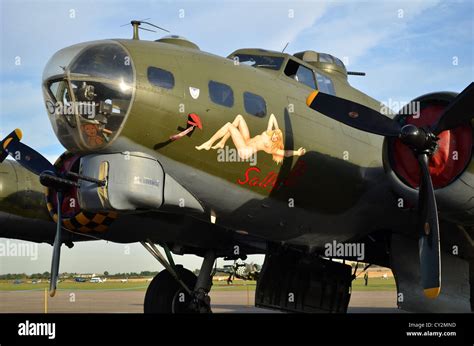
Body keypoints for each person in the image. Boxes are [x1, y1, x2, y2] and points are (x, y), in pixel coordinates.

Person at [196, 114, 306, 164]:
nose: (275, 137)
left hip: (245, 150)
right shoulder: (268, 132)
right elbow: (272, 117)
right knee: (239, 118)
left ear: (277, 141)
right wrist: (278, 130)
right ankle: (222, 142)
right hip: (246, 141)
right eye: (275, 135)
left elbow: (285, 153)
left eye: (277, 138)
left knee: (229, 125)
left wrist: (297, 153)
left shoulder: (271, 148)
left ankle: (209, 143)